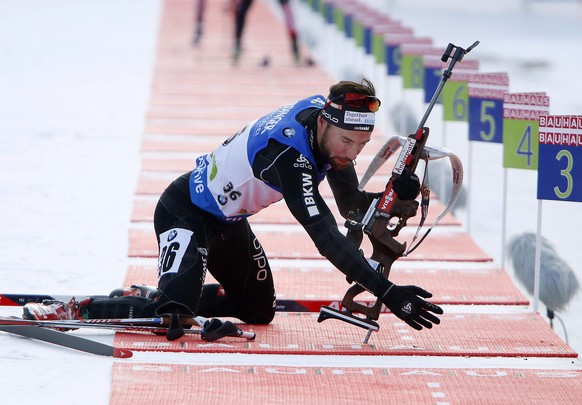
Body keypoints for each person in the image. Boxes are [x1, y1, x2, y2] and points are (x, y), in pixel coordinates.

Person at [23, 78, 443, 333]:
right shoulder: (287, 155)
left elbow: (352, 204)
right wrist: (386, 293)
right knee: (173, 318)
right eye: (347, 142)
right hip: (184, 210)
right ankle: (81, 305)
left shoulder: (329, 131)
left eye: (362, 146)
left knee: (258, 312)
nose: (352, 154)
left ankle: (165, 288)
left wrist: (399, 194)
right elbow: (327, 235)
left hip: (228, 223)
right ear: (323, 123)